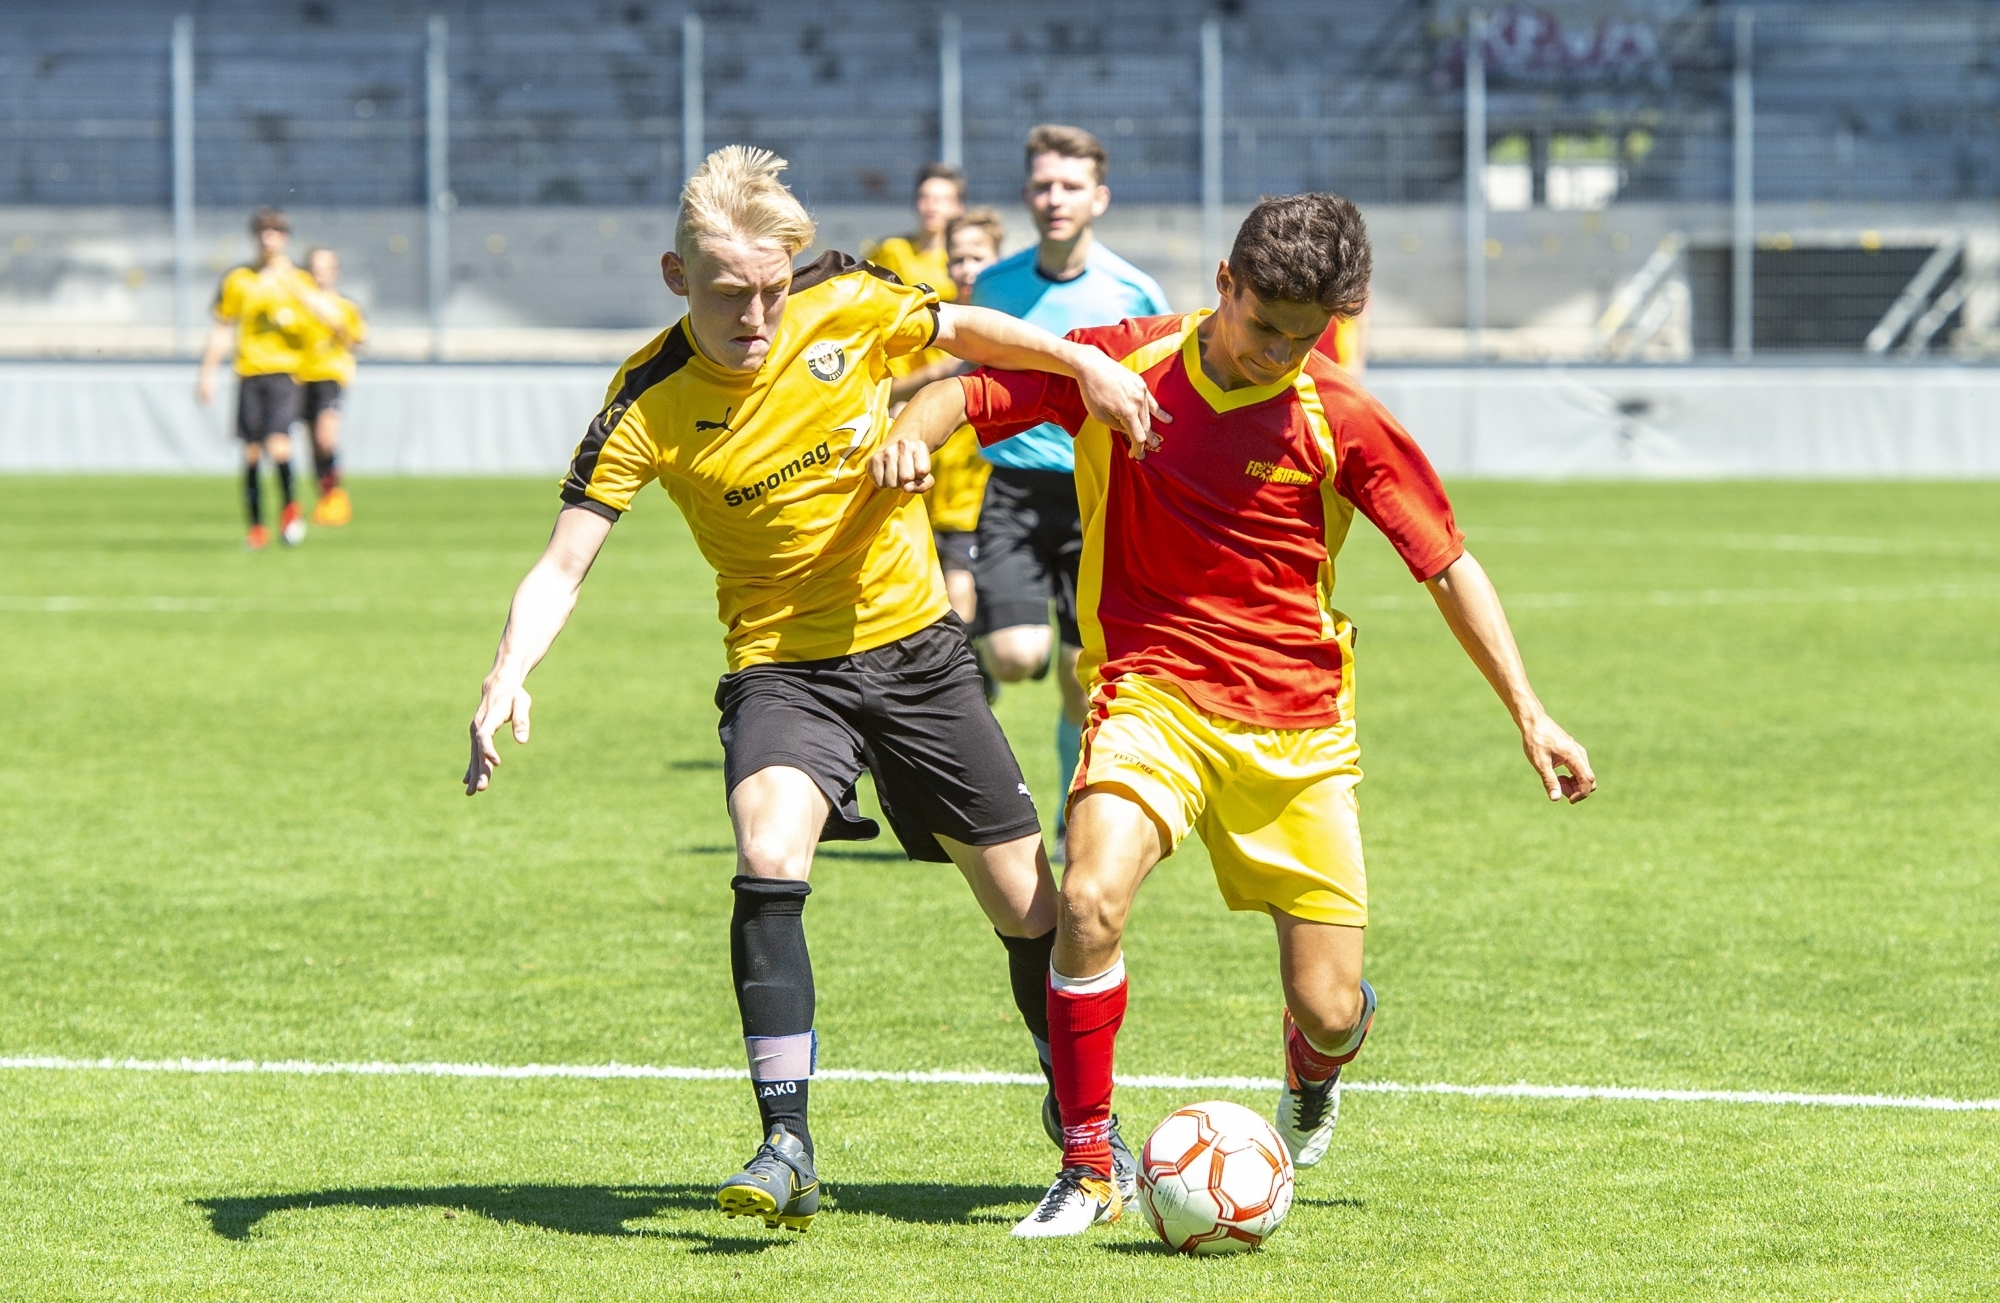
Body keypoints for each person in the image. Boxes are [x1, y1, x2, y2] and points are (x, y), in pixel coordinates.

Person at [462, 146, 1164, 1235]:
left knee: (1031, 907)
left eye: (769, 290)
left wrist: (1081, 365)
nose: (754, 315)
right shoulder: (646, 400)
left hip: (918, 650)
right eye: (726, 293)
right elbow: (562, 561)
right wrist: (508, 669)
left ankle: (1079, 1118)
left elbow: (964, 330)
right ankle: (784, 1140)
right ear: (673, 276)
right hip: (781, 667)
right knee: (766, 843)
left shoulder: (843, 297)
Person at [870, 193, 1596, 1239]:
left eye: (1304, 339)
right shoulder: (1122, 365)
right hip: (1148, 695)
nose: (1279, 356)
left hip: (1294, 728)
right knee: (1088, 901)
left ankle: (1316, 1063)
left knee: (1328, 1006)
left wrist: (1529, 713)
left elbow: (1444, 565)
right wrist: (907, 430)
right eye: (1265, 328)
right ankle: (1085, 1164)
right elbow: (970, 393)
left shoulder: (1336, 412)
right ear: (1224, 282)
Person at [969, 125, 1171, 859]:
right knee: (1020, 655)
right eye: (1044, 185)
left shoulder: (1134, 291)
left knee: (1082, 679)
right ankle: (970, 648)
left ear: (1099, 198)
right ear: (1027, 194)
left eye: (1071, 186)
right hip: (1015, 493)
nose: (1056, 199)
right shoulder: (992, 286)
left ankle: (1062, 819)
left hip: (1099, 497)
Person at [888, 207, 1008, 630]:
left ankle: (969, 662)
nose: (965, 268)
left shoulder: (1012, 317)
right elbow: (899, 384)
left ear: (1000, 258)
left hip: (986, 479)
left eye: (977, 257)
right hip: (934, 474)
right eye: (957, 259)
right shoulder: (932, 317)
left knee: (962, 582)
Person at [196, 207, 322, 549]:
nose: (269, 241)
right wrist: (208, 373)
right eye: (263, 234)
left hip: (285, 373)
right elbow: (222, 328)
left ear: (285, 240)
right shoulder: (239, 279)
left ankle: (290, 511)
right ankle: (255, 527)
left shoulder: (299, 280)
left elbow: (321, 321)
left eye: (276, 234)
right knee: (251, 452)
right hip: (250, 372)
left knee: (278, 445)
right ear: (256, 238)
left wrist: (296, 293)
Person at [295, 247, 368, 527]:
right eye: (315, 267)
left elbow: (359, 336)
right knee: (313, 444)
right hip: (300, 376)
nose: (319, 272)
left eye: (325, 267)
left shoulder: (344, 306)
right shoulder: (295, 304)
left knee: (327, 438)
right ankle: (325, 497)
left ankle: (336, 496)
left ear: (335, 271)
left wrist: (330, 319)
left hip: (329, 375)